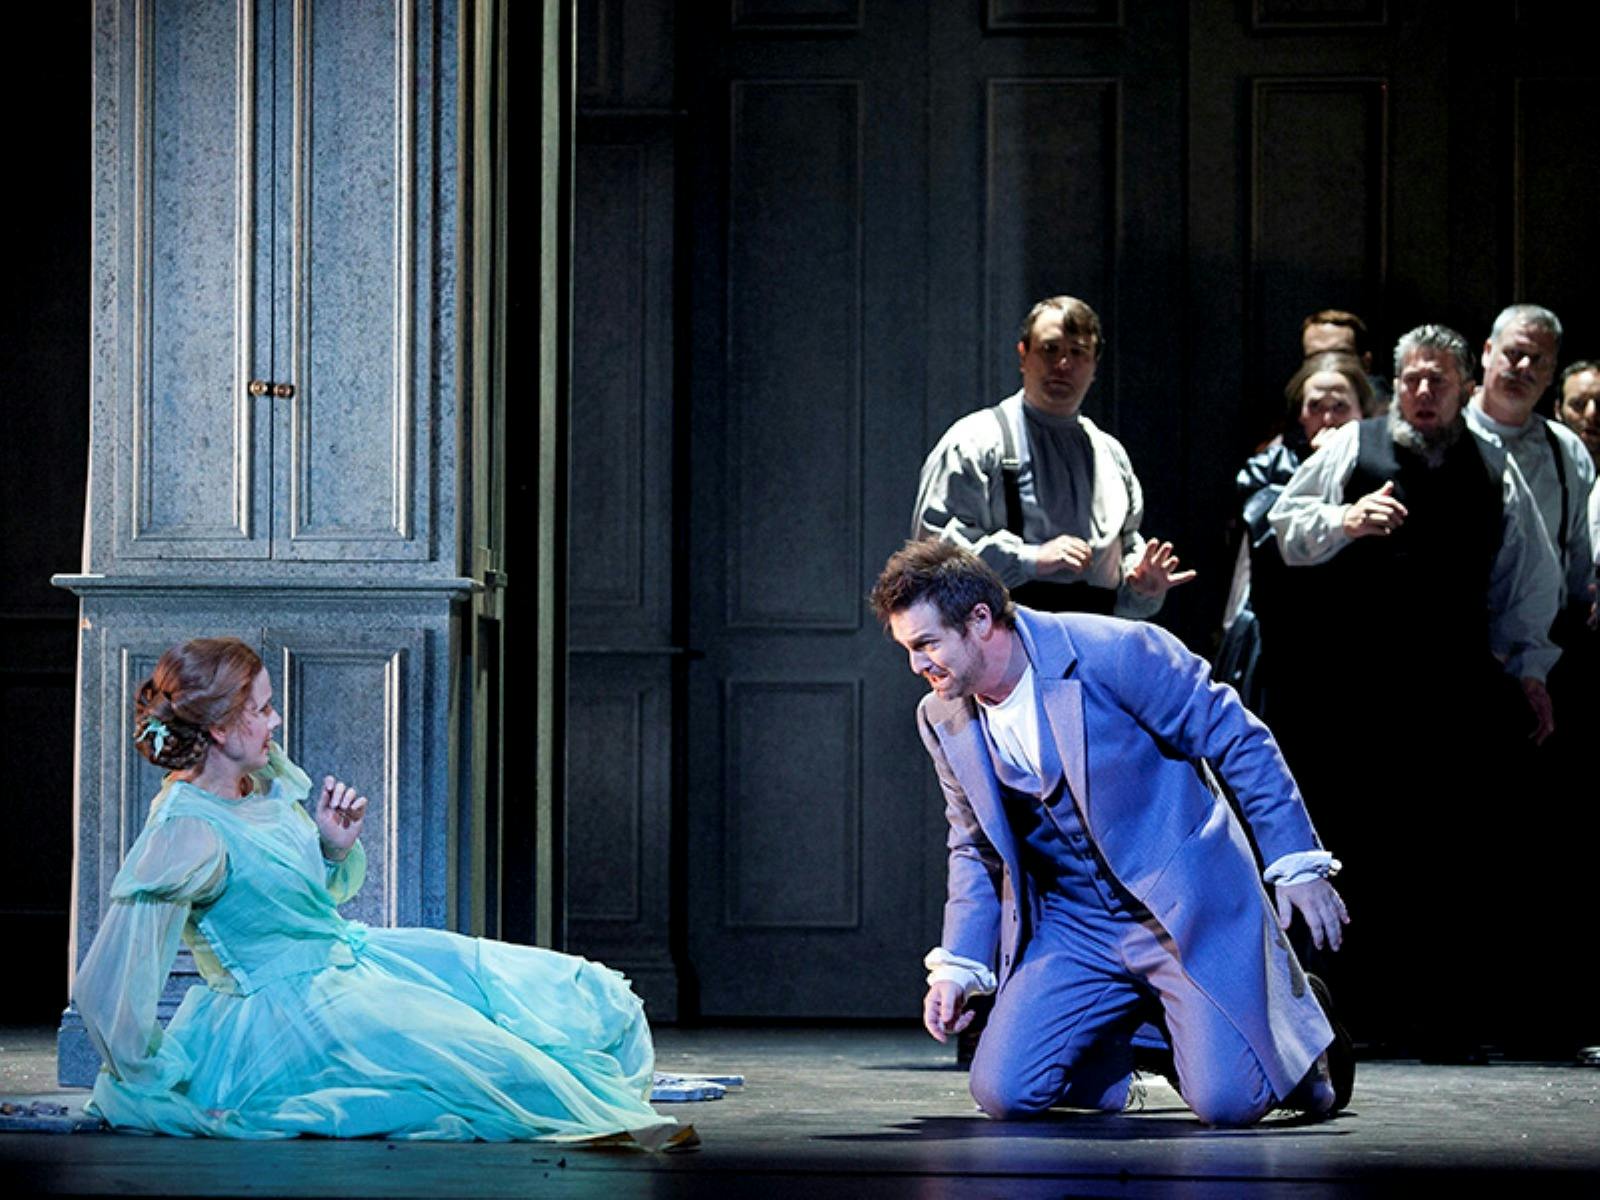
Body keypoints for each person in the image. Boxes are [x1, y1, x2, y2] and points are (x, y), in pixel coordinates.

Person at [72, 637, 681, 1145]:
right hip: (290, 1018)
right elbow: (105, 985)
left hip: (353, 963)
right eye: (261, 710)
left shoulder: (261, 781)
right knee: (492, 1068)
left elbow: (294, 904)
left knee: (573, 994)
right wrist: (151, 1077)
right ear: (220, 728)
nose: (275, 720)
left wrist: (331, 846)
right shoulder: (185, 832)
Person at [871, 540, 1352, 1128]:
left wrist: (1296, 860)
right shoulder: (942, 716)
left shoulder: (1115, 652)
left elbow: (1238, 736)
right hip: (1076, 924)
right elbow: (972, 846)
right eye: (908, 649)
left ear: (979, 621)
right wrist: (958, 966)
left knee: (1230, 1103)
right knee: (1003, 1090)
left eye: (926, 645)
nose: (918, 666)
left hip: (1179, 910)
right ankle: (1162, 1035)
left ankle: (1306, 1040)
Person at [1267, 324, 1560, 1056]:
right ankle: (1361, 1016)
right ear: (1394, 384)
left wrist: (1529, 668)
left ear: (1464, 387)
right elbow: (1285, 526)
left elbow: (1526, 577)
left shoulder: (1492, 463)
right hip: (1361, 689)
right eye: (1412, 380)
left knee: (1450, 853)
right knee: (1363, 847)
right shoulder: (1353, 446)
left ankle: (1446, 1017)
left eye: (1438, 381)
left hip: (1454, 687)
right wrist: (1346, 520)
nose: (1423, 393)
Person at [912, 295, 1193, 616]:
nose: (1063, 365)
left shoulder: (1111, 457)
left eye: (1077, 352)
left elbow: (1127, 551)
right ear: (1023, 355)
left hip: (1095, 643)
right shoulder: (976, 442)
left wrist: (1143, 588)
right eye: (1050, 349)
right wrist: (1029, 560)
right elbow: (932, 560)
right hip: (1003, 644)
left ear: (1094, 365)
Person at [1216, 351, 1376, 716]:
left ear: (1362, 415)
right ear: (1301, 414)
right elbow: (1269, 539)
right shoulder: (1270, 466)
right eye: (1316, 406)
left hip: (1350, 637)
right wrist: (1317, 471)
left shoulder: (1376, 467)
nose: (1328, 418)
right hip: (1278, 636)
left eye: (1340, 407)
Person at [1300, 309, 1391, 411]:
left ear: (1366, 363)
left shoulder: (1388, 416)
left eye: (1340, 356)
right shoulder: (1297, 410)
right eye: (1316, 357)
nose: (1327, 365)